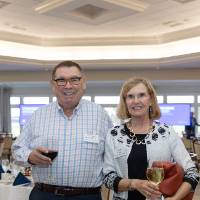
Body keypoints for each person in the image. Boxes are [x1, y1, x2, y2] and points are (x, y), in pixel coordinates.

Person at [12, 61, 113, 200]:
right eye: (61, 80)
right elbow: (17, 149)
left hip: (87, 196)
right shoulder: (38, 115)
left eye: (74, 79)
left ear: (83, 82)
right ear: (53, 85)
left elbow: (112, 156)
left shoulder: (100, 115)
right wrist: (29, 156)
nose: (68, 85)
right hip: (44, 195)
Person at [103, 77, 199, 200]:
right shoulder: (114, 134)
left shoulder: (166, 132)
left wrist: (174, 199)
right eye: (130, 96)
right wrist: (135, 184)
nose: (136, 101)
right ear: (125, 102)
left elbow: (192, 172)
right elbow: (107, 177)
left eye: (142, 95)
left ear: (151, 100)